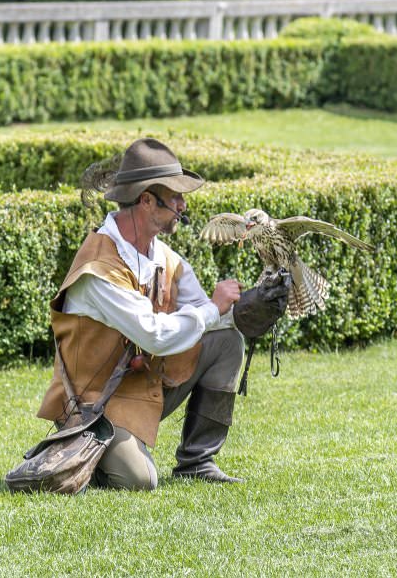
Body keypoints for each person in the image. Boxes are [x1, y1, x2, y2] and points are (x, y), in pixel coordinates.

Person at [36, 138, 288, 490]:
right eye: (175, 197)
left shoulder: (166, 258)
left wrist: (247, 309)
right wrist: (214, 308)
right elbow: (154, 334)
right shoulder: (98, 269)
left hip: (143, 385)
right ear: (146, 201)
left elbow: (205, 318)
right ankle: (82, 452)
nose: (183, 206)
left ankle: (197, 461)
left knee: (227, 340)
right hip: (92, 406)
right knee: (140, 480)